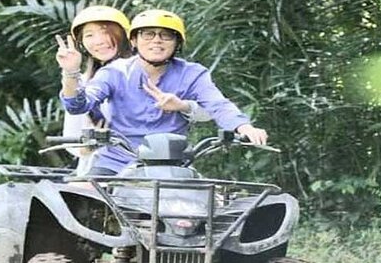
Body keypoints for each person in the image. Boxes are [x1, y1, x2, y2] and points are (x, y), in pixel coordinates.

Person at [59, 9, 267, 176]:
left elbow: (218, 104)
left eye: (166, 35)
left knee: (210, 210)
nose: (156, 41)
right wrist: (71, 72)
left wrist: (244, 127)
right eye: (148, 34)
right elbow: (78, 104)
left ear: (177, 43)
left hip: (172, 166)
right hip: (115, 162)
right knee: (81, 198)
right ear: (133, 41)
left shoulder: (192, 73)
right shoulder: (114, 72)